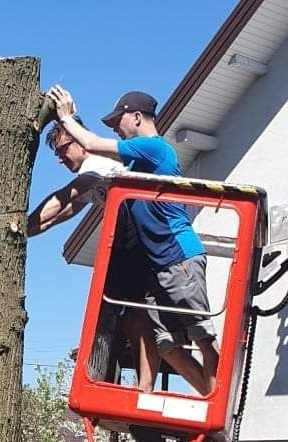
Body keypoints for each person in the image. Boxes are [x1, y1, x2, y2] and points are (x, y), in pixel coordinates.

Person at [48, 85, 219, 397]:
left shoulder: (154, 148)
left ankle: (218, 405)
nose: (115, 128)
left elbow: (90, 144)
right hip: (159, 266)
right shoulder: (136, 164)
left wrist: (66, 117)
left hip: (179, 258)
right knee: (167, 346)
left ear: (137, 117)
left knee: (203, 339)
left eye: (118, 121)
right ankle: (202, 398)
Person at [28, 117, 159, 390]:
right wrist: (26, 231)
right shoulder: (90, 175)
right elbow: (65, 212)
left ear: (80, 143)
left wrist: (20, 226)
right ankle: (129, 383)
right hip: (128, 246)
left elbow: (63, 198)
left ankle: (138, 384)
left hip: (139, 244)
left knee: (134, 316)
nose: (60, 158)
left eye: (62, 149)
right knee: (126, 317)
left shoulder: (97, 166)